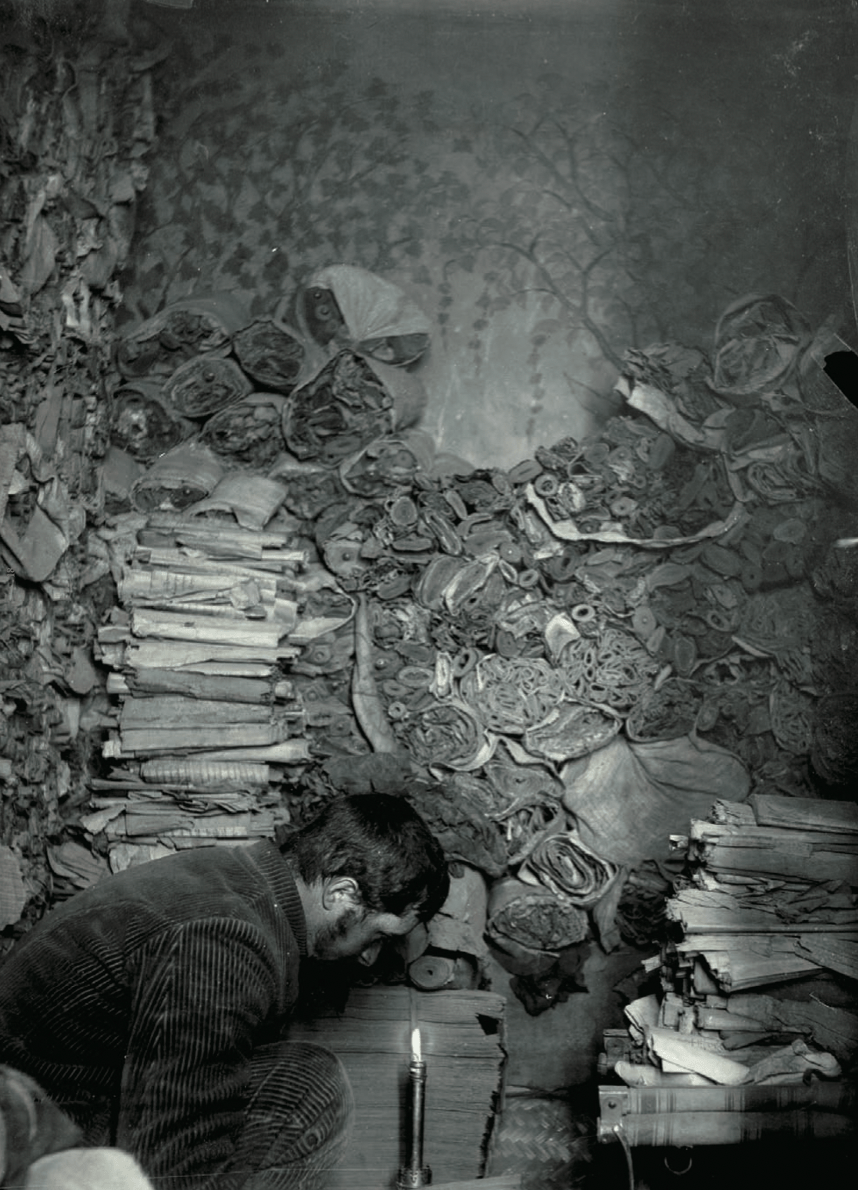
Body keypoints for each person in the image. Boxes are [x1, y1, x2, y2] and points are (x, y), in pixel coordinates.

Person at [0, 793, 449, 1189]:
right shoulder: (227, 938)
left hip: (67, 1096)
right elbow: (171, 1158)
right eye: (378, 935)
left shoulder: (239, 880)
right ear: (341, 894)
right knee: (306, 1093)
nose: (370, 956)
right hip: (30, 1128)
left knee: (298, 1077)